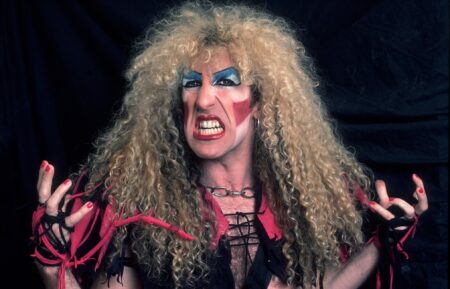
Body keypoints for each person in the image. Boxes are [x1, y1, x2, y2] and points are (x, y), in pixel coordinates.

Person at [31, 2, 428, 289]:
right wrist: (53, 265)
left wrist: (381, 243)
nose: (203, 99)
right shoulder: (143, 211)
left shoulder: (302, 206)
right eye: (191, 83)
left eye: (225, 81)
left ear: (260, 103)